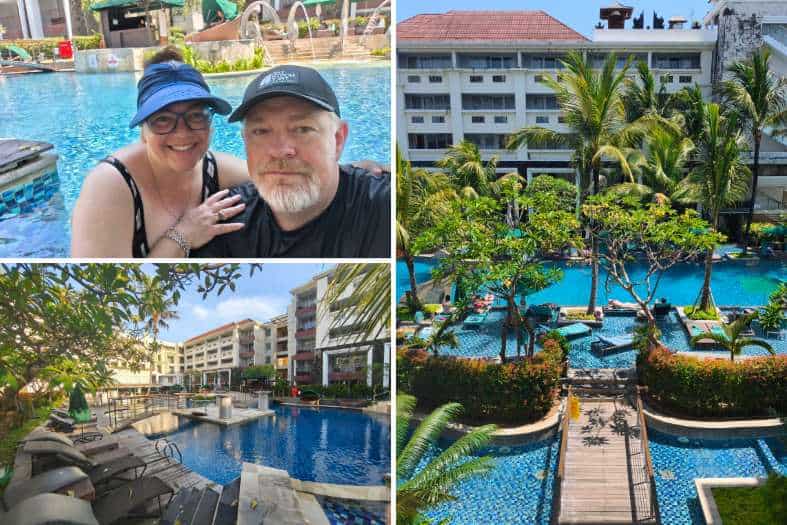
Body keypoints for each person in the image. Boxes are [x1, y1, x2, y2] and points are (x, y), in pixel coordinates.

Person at [192, 64, 390, 258]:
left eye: (302, 129)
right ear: (245, 142)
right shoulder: (224, 220)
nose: (280, 151)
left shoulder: (384, 206)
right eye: (261, 131)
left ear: (337, 140)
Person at [71, 47, 249, 257]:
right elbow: (113, 288)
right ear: (143, 131)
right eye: (162, 120)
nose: (182, 133)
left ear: (210, 125)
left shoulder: (217, 170)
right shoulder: (109, 185)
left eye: (196, 116)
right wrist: (184, 234)